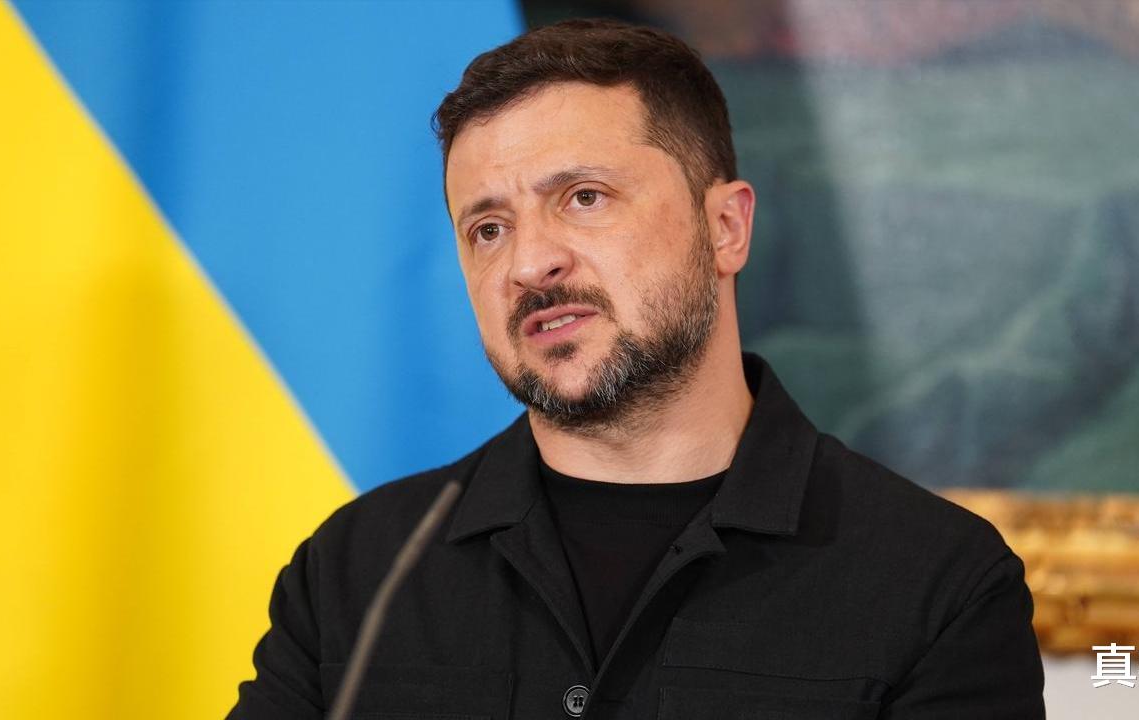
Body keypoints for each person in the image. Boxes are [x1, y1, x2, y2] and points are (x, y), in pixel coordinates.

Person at [229, 18, 1044, 720]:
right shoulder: (357, 573)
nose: (529, 264)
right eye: (488, 229)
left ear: (725, 228)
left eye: (583, 197)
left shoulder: (936, 585)